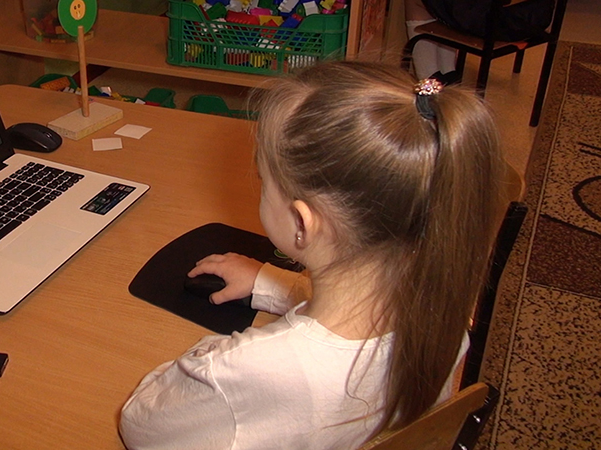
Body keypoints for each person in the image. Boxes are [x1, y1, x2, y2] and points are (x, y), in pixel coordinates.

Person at [119, 61, 504, 449]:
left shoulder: (245, 372)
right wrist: (273, 283)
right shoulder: (443, 303)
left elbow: (138, 424)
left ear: (302, 223)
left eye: (264, 181)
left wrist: (208, 358)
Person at [406, 0, 556, 81]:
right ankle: (448, 73)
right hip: (535, 17)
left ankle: (429, 81)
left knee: (416, 2)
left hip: (496, 21)